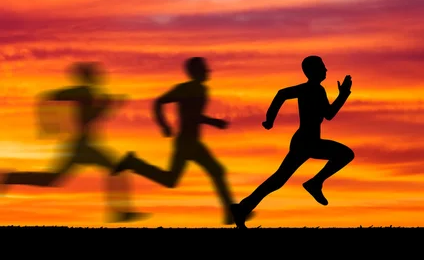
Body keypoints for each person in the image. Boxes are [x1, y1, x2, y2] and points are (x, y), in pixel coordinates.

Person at [0, 62, 147, 223]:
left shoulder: (88, 93)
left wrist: (105, 107)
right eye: (95, 74)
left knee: (53, 180)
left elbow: (64, 105)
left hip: (82, 144)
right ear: (88, 76)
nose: (99, 76)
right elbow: (82, 115)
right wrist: (48, 125)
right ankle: (120, 212)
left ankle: (10, 177)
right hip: (81, 145)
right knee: (117, 168)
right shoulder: (83, 92)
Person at [112, 57, 244, 225]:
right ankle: (230, 214)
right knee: (212, 172)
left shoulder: (200, 89)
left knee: (174, 179)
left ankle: (134, 163)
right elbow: (167, 106)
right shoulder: (188, 89)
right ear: (195, 72)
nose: (206, 72)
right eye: (203, 70)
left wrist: (211, 122)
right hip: (186, 143)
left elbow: (184, 112)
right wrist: (164, 125)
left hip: (192, 142)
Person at [230, 55, 355, 229]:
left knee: (278, 180)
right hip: (306, 141)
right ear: (312, 71)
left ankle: (243, 208)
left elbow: (284, 95)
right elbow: (328, 114)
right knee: (345, 154)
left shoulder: (313, 90)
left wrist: (270, 120)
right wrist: (343, 95)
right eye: (322, 67)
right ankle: (315, 182)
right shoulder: (314, 90)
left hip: (307, 141)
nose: (326, 70)